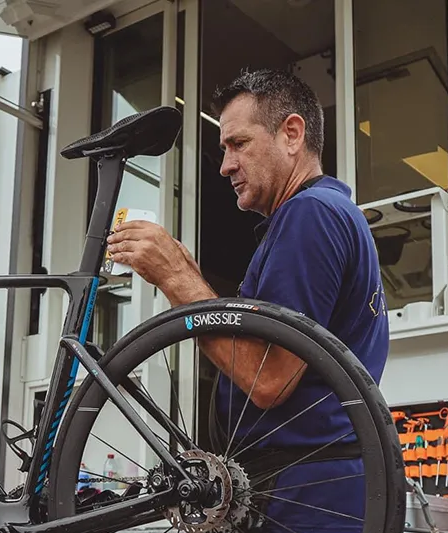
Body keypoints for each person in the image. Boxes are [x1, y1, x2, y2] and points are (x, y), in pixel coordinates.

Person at [105, 68, 389, 532]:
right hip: (319, 485)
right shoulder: (331, 214)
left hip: (305, 494)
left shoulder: (310, 215)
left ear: (291, 134)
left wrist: (177, 280)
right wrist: (189, 274)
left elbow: (269, 378)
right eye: (223, 149)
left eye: (238, 144)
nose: (225, 165)